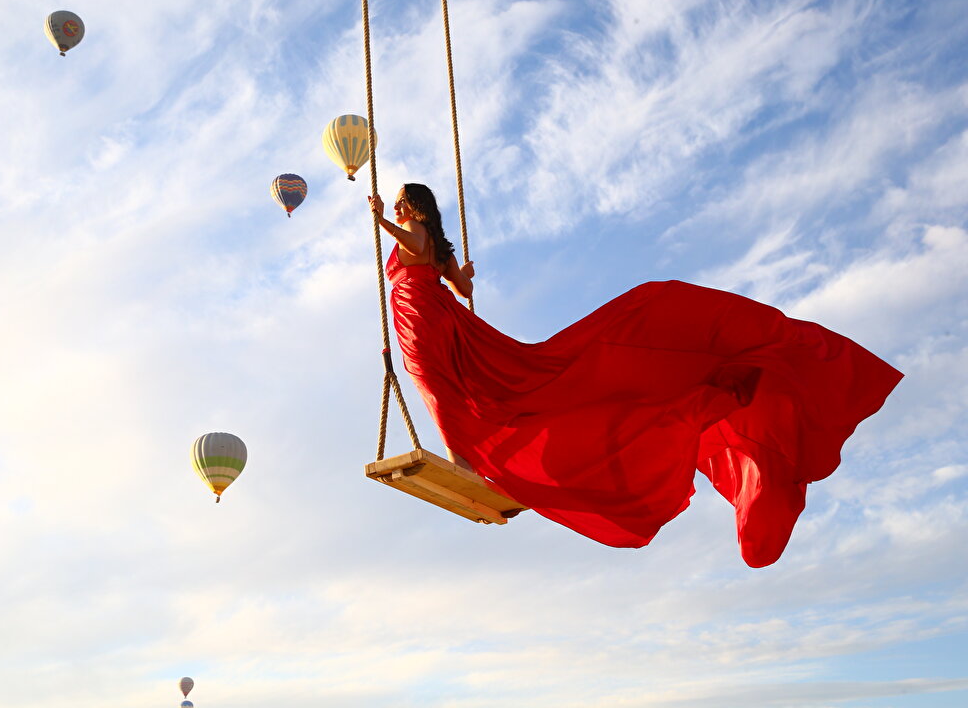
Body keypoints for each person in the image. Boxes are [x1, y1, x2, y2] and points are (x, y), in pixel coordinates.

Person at [369, 183, 902, 567]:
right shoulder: (425, 240)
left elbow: (417, 251)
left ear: (414, 206)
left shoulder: (413, 229)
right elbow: (455, 285)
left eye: (398, 202)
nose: (394, 207)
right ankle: (466, 457)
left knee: (440, 385)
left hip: (424, 316)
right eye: (392, 205)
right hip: (429, 311)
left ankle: (465, 458)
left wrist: (382, 222)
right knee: (445, 387)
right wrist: (458, 276)